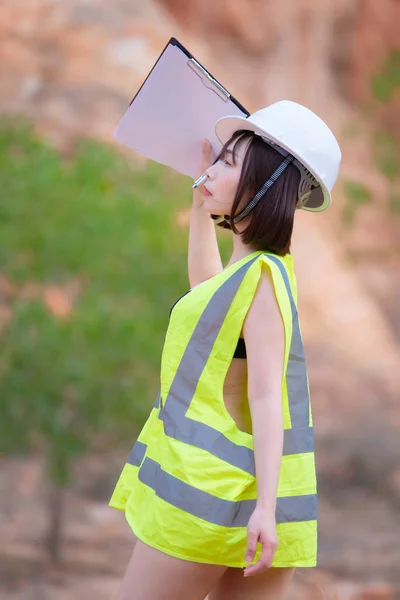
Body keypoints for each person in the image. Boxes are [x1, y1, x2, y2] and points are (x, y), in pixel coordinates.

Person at [109, 100, 342, 600]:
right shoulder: (253, 274)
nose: (209, 171)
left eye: (226, 162)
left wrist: (263, 508)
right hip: (252, 498)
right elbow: (206, 294)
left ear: (263, 184)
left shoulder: (261, 278)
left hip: (210, 496)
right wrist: (198, 209)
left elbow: (265, 398)